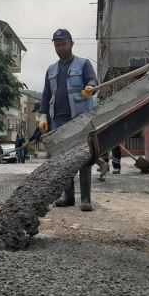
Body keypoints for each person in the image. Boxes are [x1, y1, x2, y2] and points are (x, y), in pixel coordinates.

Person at [39, 29, 97, 211]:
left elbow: (93, 82)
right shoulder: (51, 69)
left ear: (71, 43)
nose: (61, 48)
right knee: (64, 160)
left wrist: (90, 87)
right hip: (58, 120)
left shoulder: (83, 63)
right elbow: (47, 94)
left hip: (79, 119)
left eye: (64, 44)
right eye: (57, 45)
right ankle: (69, 197)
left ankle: (86, 199)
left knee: (83, 158)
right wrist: (43, 115)